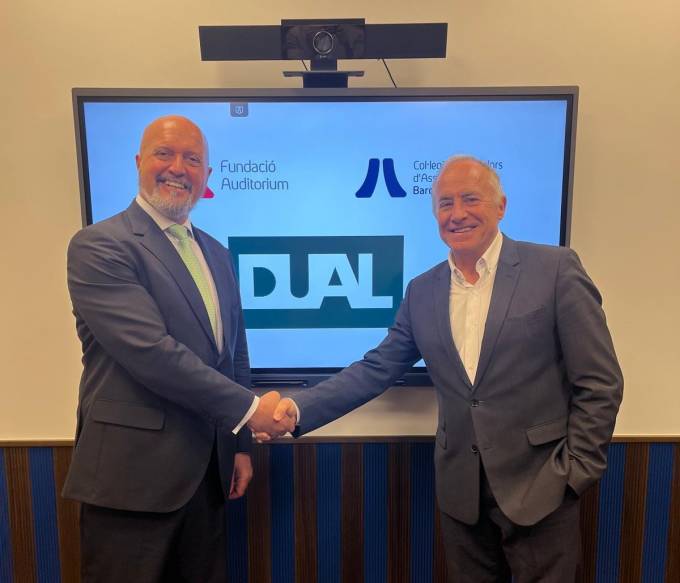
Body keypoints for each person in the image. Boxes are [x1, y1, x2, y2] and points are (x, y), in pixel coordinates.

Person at [268, 156, 623, 582]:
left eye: (471, 199)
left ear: (500, 206)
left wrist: (576, 472)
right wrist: (297, 408)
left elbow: (600, 382)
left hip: (544, 487)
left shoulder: (555, 269)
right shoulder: (423, 290)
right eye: (445, 203)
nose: (457, 214)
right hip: (461, 495)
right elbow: (377, 368)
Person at [64, 115, 292, 582]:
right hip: (130, 481)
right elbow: (151, 352)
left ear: (207, 174)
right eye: (164, 154)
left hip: (207, 476)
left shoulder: (217, 254)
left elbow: (234, 354)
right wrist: (252, 411)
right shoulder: (99, 245)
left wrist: (239, 445)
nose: (177, 168)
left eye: (192, 159)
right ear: (139, 162)